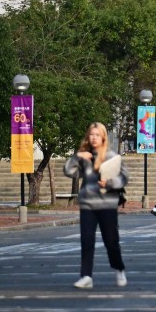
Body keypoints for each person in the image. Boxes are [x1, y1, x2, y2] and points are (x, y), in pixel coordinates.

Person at [63, 122, 129, 289]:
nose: (94, 138)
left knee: (111, 241)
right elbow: (69, 172)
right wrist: (77, 157)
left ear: (103, 137)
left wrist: (110, 182)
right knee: (86, 240)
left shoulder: (111, 156)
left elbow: (124, 177)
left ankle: (119, 268)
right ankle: (86, 276)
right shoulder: (85, 156)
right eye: (91, 134)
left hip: (107, 204)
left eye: (97, 135)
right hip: (88, 204)